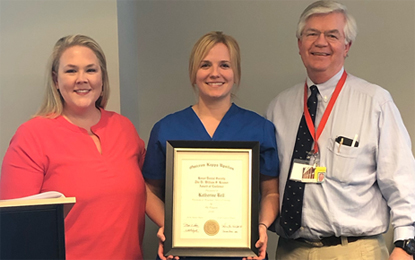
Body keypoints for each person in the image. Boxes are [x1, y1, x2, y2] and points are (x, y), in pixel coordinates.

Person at [266, 1, 415, 260]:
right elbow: (267, 184)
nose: (320, 42)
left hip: (354, 250)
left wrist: (405, 245)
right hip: (290, 251)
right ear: (300, 44)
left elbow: (402, 180)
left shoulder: (375, 102)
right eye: (311, 34)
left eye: (332, 35)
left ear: (347, 47)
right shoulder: (278, 107)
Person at [0, 35, 147, 260]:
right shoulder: (31, 136)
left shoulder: (124, 128)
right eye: (70, 71)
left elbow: (148, 188)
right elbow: (16, 230)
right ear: (56, 80)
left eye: (91, 70)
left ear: (102, 77)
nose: (81, 79)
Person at [143, 31, 279, 260]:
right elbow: (147, 191)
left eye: (224, 65)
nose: (215, 73)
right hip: (182, 253)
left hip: (244, 254)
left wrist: (262, 226)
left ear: (236, 73)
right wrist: (171, 227)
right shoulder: (166, 129)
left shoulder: (259, 128)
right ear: (193, 73)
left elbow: (271, 192)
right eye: (205, 65)